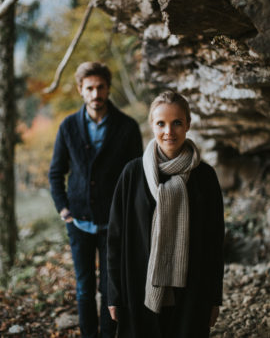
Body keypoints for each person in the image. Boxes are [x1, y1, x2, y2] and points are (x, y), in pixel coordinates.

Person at [107, 90, 224, 338]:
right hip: (139, 290)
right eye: (161, 123)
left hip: (192, 293)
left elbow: (215, 243)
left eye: (177, 123)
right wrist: (114, 293)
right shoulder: (132, 174)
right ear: (152, 125)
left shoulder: (205, 177)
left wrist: (214, 299)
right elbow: (115, 238)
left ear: (188, 125)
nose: (168, 131)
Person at [49, 61, 143, 338]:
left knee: (111, 287)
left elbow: (136, 176)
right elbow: (56, 172)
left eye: (100, 87)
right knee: (84, 286)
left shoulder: (127, 127)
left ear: (108, 88)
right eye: (89, 88)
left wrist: (129, 216)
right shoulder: (68, 126)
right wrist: (63, 209)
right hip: (77, 221)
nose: (95, 93)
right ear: (81, 90)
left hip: (114, 221)